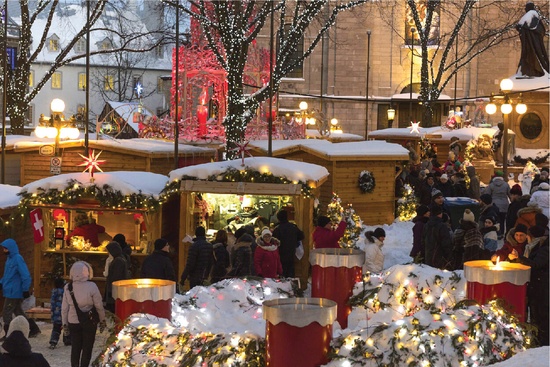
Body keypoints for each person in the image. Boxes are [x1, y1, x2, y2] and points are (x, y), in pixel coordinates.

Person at [62, 261, 106, 367]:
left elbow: (64, 308)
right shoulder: (92, 286)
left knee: (75, 348)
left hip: (73, 321)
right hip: (89, 321)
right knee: (87, 348)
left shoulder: (68, 287)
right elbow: (99, 305)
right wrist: (102, 320)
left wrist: (65, 324)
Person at [514, 224, 549, 346]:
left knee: (541, 315)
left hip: (542, 286)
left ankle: (543, 341)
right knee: (535, 314)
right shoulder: (535, 246)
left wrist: (520, 258)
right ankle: (537, 338)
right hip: (536, 285)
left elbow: (536, 264)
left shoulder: (544, 249)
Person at [0, 238, 40, 339]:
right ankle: (33, 328)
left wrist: (25, 289)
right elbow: (7, 275)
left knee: (7, 312)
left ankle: (8, 334)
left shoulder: (17, 258)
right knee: (18, 311)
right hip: (10, 290)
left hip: (14, 292)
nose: (4, 251)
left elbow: (25, 275)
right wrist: (1, 283)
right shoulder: (9, 259)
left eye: (5, 249)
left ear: (10, 249)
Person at [516, 1, 549, 77]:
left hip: (533, 43)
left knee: (534, 56)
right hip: (532, 43)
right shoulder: (533, 16)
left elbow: (521, 26)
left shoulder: (531, 15)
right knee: (536, 56)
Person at [272, 210, 304, 278]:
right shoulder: (293, 227)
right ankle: (290, 286)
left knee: (281, 273)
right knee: (290, 273)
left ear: (278, 218)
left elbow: (273, 242)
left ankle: (282, 287)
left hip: (281, 254)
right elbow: (301, 236)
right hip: (291, 252)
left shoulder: (277, 229)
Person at [421, 205, 453, 269]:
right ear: (439, 214)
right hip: (440, 257)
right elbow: (446, 243)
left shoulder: (426, 225)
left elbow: (423, 241)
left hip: (428, 256)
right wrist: (449, 256)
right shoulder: (442, 226)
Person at [484, 171, 511, 236]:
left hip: (494, 204)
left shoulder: (491, 185)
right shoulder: (506, 184)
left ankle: (496, 232)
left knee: (496, 219)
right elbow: (509, 194)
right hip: (504, 204)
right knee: (502, 219)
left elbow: (487, 195)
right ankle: (502, 232)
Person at [104, 241, 129, 313]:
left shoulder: (118, 261)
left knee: (114, 310)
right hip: (117, 291)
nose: (108, 253)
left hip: (115, 291)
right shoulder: (119, 259)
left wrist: (110, 291)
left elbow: (115, 277)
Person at [49, 278, 70, 349]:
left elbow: (52, 303)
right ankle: (67, 339)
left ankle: (53, 341)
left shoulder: (54, 292)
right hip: (65, 314)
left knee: (56, 329)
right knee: (66, 327)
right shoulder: (66, 292)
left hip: (56, 314)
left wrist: (52, 313)